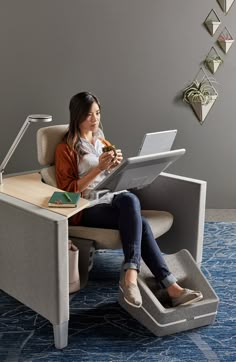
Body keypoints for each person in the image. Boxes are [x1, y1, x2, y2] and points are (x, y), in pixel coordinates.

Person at [55, 91, 203, 308]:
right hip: (87, 206)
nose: (95, 119)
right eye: (88, 115)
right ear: (76, 116)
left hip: (111, 198)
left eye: (97, 113)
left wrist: (119, 168)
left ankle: (135, 276)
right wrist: (99, 169)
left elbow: (111, 177)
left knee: (131, 201)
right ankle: (168, 286)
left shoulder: (102, 141)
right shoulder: (65, 148)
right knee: (136, 213)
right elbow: (67, 191)